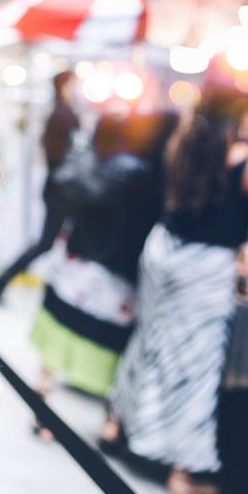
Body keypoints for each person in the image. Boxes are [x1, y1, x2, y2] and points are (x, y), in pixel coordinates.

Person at [101, 85, 248, 494]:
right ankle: (181, 470)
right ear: (238, 117)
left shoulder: (184, 147)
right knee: (196, 359)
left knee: (149, 338)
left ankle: (117, 423)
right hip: (205, 266)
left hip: (165, 249)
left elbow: (219, 184)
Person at [28, 111, 176, 436]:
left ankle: (43, 406)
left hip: (83, 259)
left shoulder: (116, 162)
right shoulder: (155, 179)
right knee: (110, 346)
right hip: (118, 273)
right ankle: (110, 423)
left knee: (60, 332)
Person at [0, 70, 79, 296]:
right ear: (65, 86)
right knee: (46, 242)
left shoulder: (60, 113)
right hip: (60, 190)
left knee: (48, 242)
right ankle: (4, 280)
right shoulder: (61, 115)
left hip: (58, 188)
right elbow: (58, 153)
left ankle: (5, 280)